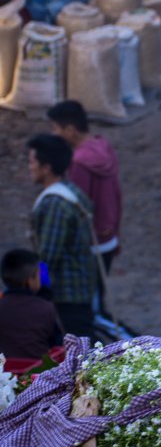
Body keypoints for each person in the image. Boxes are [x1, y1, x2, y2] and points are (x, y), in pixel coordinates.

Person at [27, 134, 98, 340]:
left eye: (32, 162)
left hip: (67, 295)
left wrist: (40, 292)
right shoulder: (72, 191)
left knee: (75, 354)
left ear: (46, 167)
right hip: (81, 288)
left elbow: (48, 257)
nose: (29, 167)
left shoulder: (55, 205)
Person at [47, 101, 122, 290]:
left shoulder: (79, 163)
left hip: (91, 241)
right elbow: (117, 193)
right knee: (100, 292)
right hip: (109, 234)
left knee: (88, 297)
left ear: (71, 130)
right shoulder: (104, 146)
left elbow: (76, 207)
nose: (53, 134)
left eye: (55, 128)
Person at [0, 249, 62, 359]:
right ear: (30, 280)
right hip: (41, 372)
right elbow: (57, 347)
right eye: (38, 274)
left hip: (6, 373)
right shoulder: (45, 308)